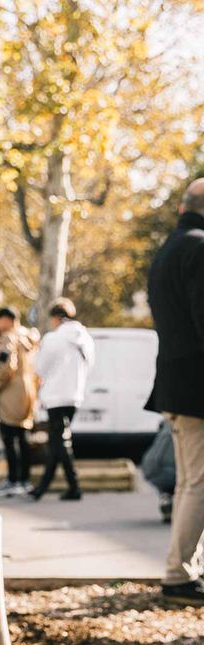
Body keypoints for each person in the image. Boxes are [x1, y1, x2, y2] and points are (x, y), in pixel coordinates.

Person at [146, 177, 204, 604]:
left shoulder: (167, 250)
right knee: (198, 484)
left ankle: (183, 569)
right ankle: (179, 574)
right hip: (196, 385)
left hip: (174, 382)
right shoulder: (200, 247)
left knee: (190, 483)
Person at [30, 297, 93, 501]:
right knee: (59, 441)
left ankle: (72, 486)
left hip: (55, 396)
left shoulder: (52, 339)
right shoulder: (85, 338)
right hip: (75, 395)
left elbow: (39, 368)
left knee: (59, 442)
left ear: (56, 318)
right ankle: (44, 487)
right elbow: (89, 365)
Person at [0, 306, 40, 496]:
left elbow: (7, 367)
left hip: (11, 392)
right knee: (23, 437)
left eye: (0, 320)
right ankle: (25, 479)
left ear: (8, 319)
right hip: (29, 390)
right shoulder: (29, 337)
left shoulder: (9, 337)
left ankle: (13, 479)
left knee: (9, 437)